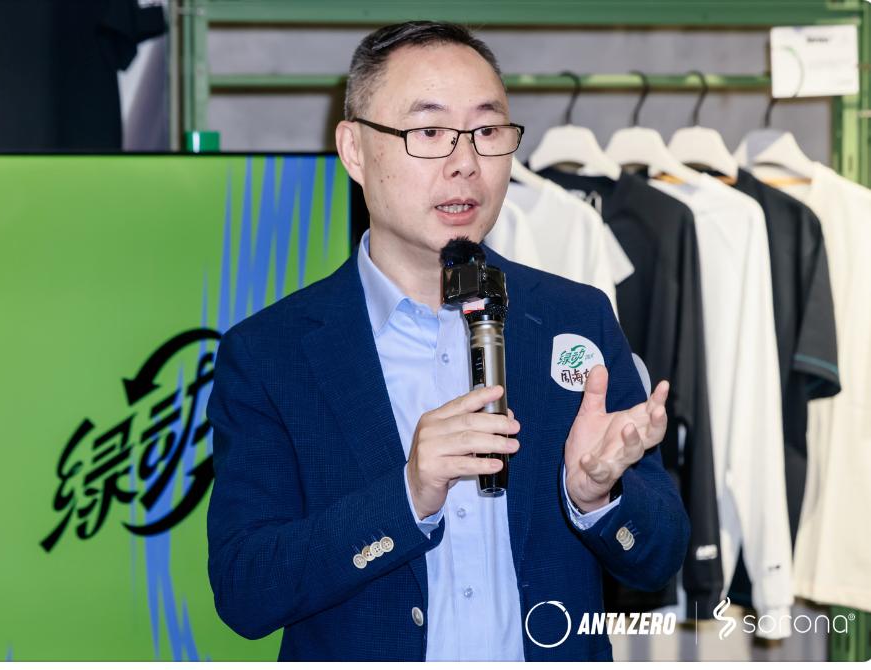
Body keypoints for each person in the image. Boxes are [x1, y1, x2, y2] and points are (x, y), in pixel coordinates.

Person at [206, 21, 690, 662]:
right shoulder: (272, 353)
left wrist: (597, 497)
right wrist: (406, 495)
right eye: (430, 132)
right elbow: (245, 590)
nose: (466, 162)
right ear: (355, 150)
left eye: (487, 131)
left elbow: (659, 558)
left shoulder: (574, 317)